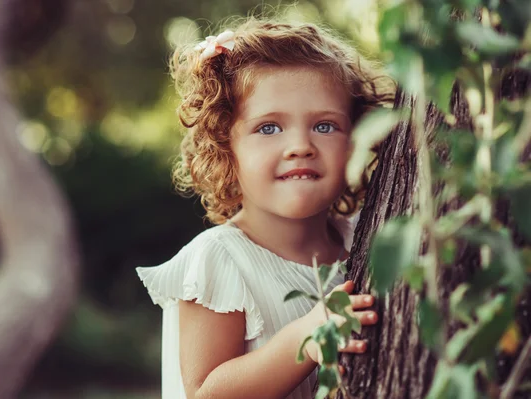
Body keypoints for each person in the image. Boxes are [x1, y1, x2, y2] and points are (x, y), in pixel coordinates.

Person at [137, 17, 395, 399]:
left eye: (325, 126)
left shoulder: (365, 237)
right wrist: (304, 339)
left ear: (356, 139)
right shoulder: (219, 260)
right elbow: (205, 393)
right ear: (225, 148)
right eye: (269, 128)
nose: (300, 146)